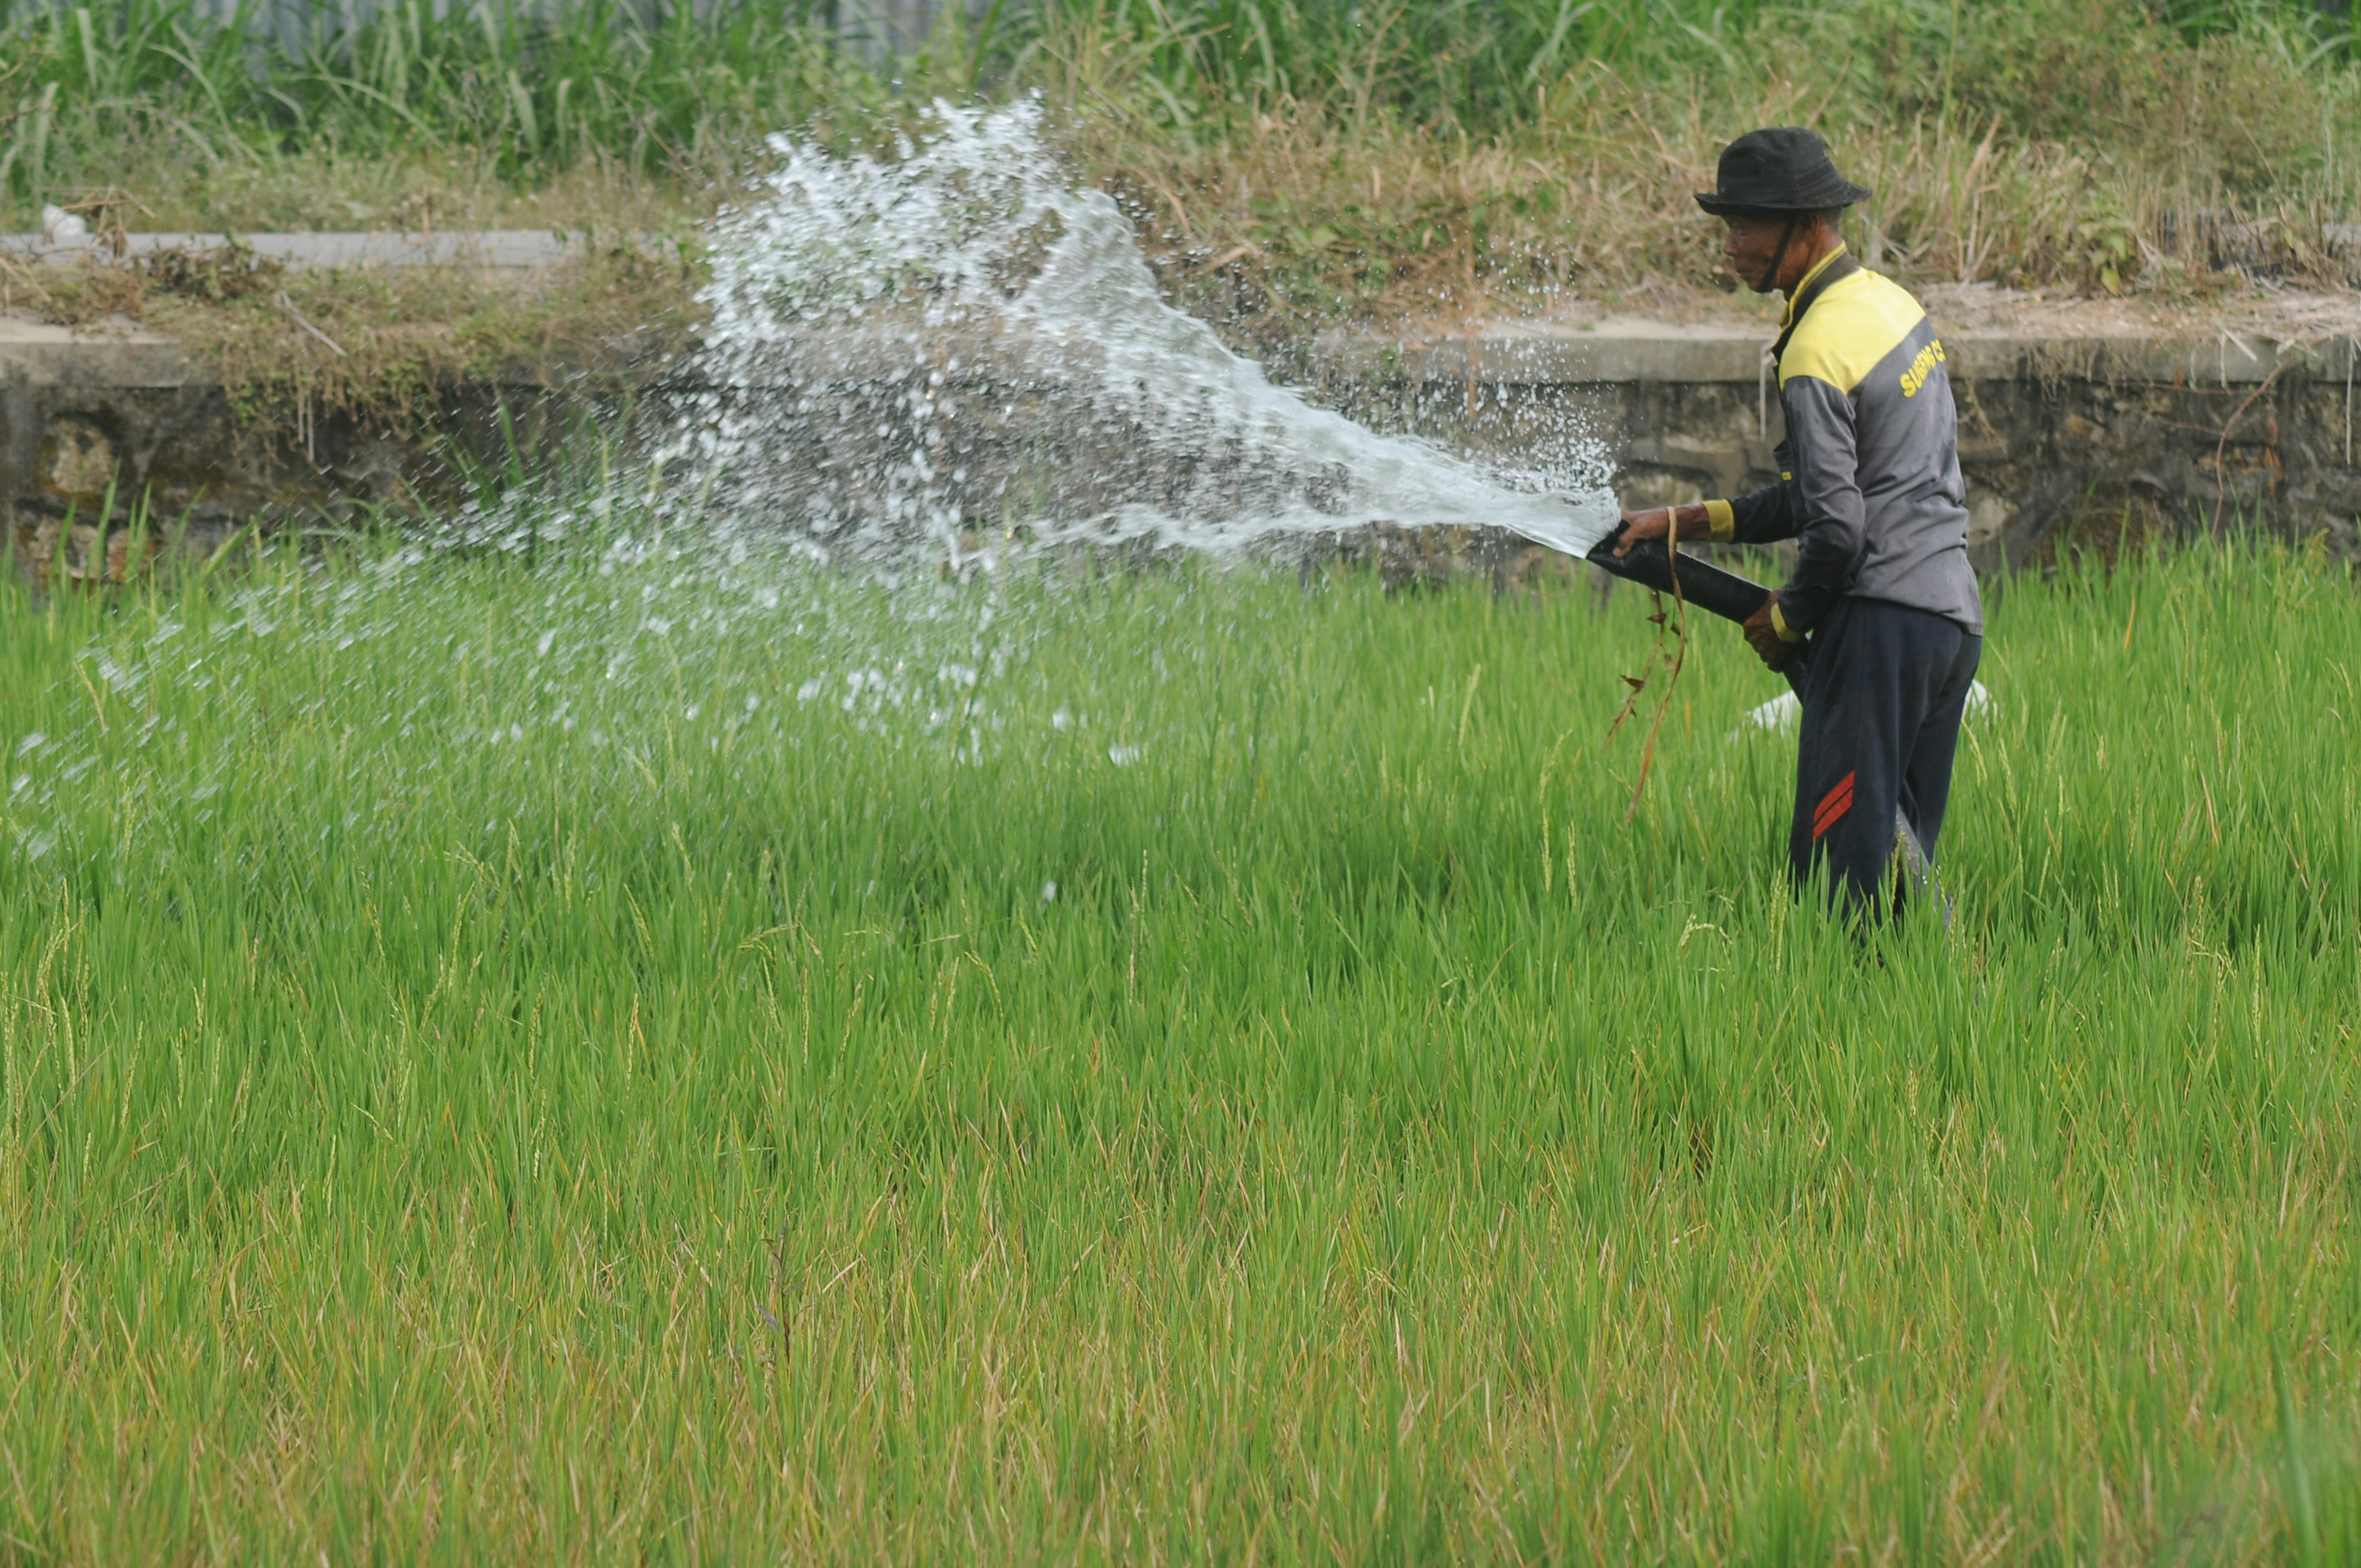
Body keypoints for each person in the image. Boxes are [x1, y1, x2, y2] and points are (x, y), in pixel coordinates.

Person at [1615, 127, 1983, 919]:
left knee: (1842, 883)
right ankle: (1932, 1023)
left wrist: (1786, 618)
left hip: (1880, 631)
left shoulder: (1815, 346)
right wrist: (1683, 522)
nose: (1731, 247)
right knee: (1901, 882)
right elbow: (1824, 494)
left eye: (1744, 227)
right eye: (1729, 228)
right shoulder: (1892, 307)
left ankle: (1850, 1034)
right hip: (1948, 625)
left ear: (1805, 227)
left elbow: (1839, 530)